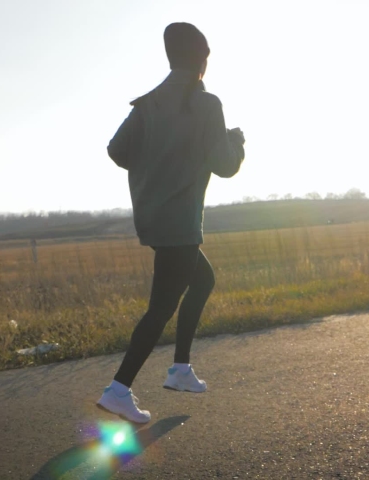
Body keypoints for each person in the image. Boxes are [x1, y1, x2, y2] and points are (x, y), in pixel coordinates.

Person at [97, 22, 245, 423]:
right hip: (180, 222)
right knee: (160, 308)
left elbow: (117, 150)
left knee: (203, 280)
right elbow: (226, 165)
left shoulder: (148, 103)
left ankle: (180, 368)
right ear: (201, 60)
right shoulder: (206, 103)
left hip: (155, 218)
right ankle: (118, 389)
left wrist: (157, 160)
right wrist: (238, 142)